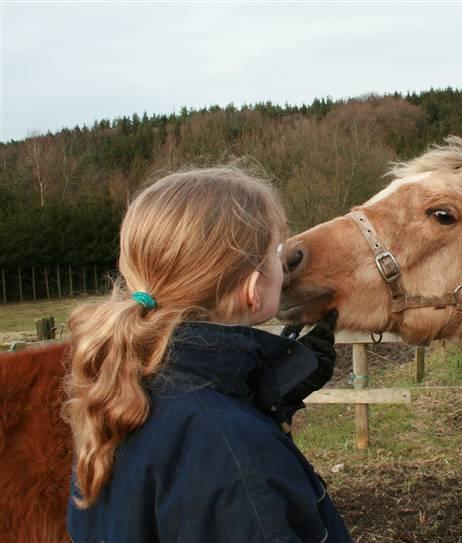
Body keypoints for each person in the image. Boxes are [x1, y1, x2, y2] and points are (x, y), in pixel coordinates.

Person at [64, 167, 352, 542]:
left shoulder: (120, 399)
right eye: (275, 253)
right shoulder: (236, 454)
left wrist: (276, 388)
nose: (285, 267)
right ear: (253, 287)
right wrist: (240, 428)